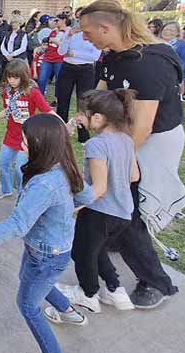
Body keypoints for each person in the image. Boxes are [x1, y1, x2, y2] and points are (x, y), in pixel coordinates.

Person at [0, 114, 88, 353]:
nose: (21, 145)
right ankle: (68, 311)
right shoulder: (62, 165)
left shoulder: (45, 184)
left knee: (28, 306)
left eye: (26, 142)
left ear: (42, 146)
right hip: (46, 249)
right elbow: (86, 196)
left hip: (47, 255)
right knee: (26, 279)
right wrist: (62, 211)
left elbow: (18, 224)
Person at [79, 0, 182, 308]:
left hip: (150, 141)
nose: (85, 39)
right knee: (114, 202)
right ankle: (112, 235)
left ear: (106, 27)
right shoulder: (113, 57)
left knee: (127, 211)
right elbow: (96, 95)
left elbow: (143, 125)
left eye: (87, 32)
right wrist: (85, 117)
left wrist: (116, 162)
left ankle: (156, 282)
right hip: (121, 136)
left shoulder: (149, 63)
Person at [57, 89, 139, 314]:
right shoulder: (126, 139)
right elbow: (134, 176)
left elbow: (99, 188)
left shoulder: (97, 145)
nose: (79, 118)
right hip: (122, 213)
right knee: (97, 248)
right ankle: (114, 290)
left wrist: (72, 206)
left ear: (97, 118)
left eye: (82, 114)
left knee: (82, 252)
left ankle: (88, 293)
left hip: (99, 212)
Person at [0, 59, 52, 199]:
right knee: (3, 162)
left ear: (23, 76)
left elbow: (47, 111)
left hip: (27, 138)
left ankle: (22, 194)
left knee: (20, 169)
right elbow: (7, 110)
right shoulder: (7, 92)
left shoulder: (33, 93)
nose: (11, 80)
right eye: (9, 77)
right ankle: (6, 189)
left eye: (15, 77)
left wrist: (63, 125)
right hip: (11, 135)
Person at [55, 19, 101, 142]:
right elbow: (61, 52)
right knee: (63, 100)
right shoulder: (70, 32)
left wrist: (73, 53)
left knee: (84, 102)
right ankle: (60, 131)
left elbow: (94, 56)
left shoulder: (94, 35)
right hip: (67, 68)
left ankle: (83, 134)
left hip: (85, 69)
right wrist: (68, 37)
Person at [37, 14, 70, 96]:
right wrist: (41, 48)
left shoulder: (68, 32)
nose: (55, 22)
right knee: (42, 79)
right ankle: (40, 97)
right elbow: (47, 43)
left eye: (57, 20)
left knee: (59, 81)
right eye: (54, 21)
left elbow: (66, 46)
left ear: (64, 20)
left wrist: (55, 41)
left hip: (60, 59)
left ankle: (57, 99)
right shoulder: (53, 31)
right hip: (48, 58)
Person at [161, 22, 185, 98]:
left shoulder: (183, 45)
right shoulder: (157, 43)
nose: (167, 32)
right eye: (165, 29)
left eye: (171, 30)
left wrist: (176, 70)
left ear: (177, 33)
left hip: (175, 77)